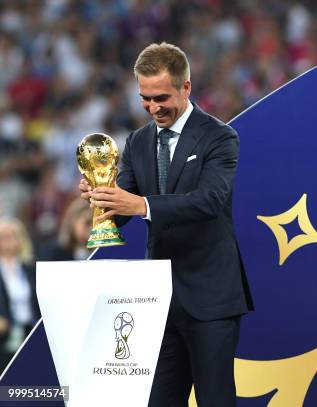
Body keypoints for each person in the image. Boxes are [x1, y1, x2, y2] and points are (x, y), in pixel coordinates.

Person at [78, 42, 253, 406]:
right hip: (158, 301)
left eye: (161, 97)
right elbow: (123, 211)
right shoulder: (138, 142)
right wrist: (102, 196)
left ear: (185, 87)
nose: (153, 107)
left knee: (215, 400)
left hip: (210, 300)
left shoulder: (219, 137)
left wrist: (140, 204)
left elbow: (210, 200)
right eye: (145, 98)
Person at [0, 217, 40, 371]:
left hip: (29, 331)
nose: (7, 240)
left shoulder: (30, 267)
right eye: (3, 236)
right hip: (5, 336)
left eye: (12, 235)